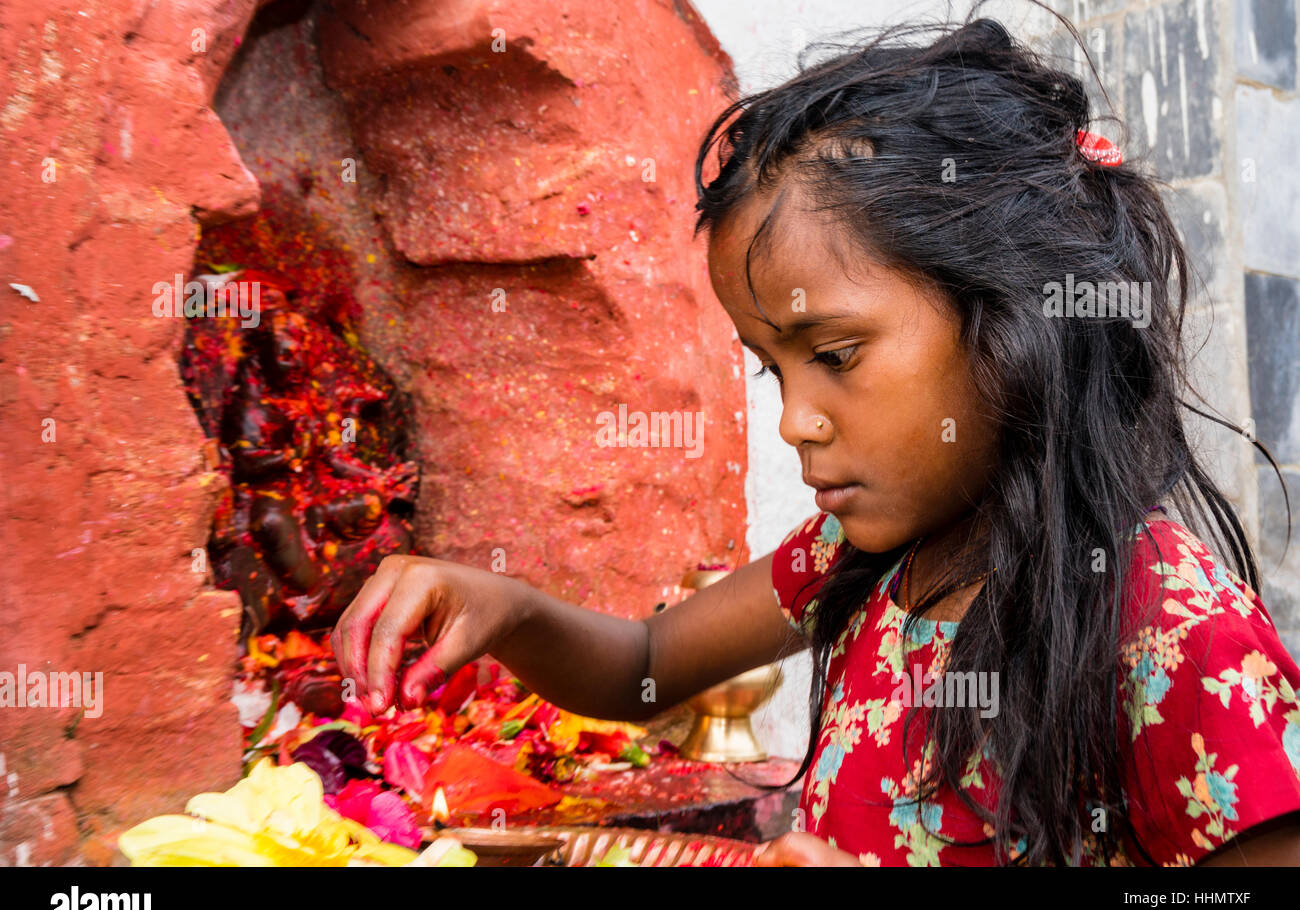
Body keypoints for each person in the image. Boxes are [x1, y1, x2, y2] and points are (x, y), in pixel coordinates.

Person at [331, 12, 1300, 866]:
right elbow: (645, 666)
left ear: (1010, 325)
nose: (795, 419)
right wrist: (500, 608)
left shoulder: (1174, 637)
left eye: (834, 354)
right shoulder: (859, 559)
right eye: (770, 367)